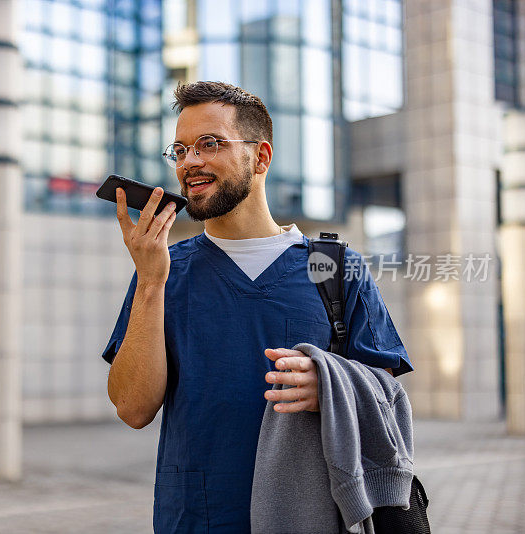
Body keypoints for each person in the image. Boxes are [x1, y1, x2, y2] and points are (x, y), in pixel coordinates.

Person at [101, 81, 413, 533]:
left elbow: (388, 395)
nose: (190, 162)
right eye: (180, 150)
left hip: (313, 518)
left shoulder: (333, 267)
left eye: (209, 144)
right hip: (195, 519)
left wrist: (330, 385)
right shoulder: (165, 270)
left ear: (261, 157)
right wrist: (150, 281)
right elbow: (132, 408)